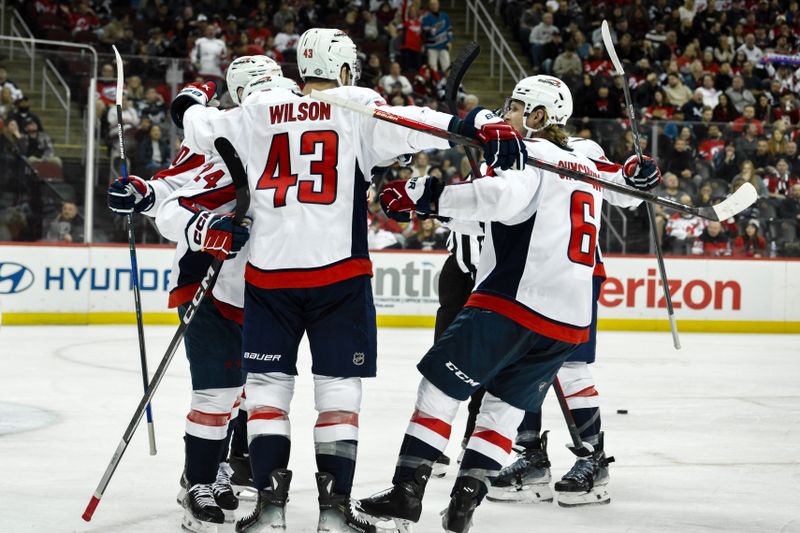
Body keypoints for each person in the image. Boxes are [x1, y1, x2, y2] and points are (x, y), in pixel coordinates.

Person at [176, 28, 525, 533]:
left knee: (267, 391)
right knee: (338, 393)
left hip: (270, 277)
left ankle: (271, 507)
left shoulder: (256, 111)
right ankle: (334, 510)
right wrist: (479, 122)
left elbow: (198, 127)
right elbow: (421, 124)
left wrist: (189, 101)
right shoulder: (357, 105)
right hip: (339, 277)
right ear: (343, 69)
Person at [357, 75, 659, 532]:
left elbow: (498, 198)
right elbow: (625, 191)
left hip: (514, 302)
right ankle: (463, 505)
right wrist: (636, 175)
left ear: (538, 117)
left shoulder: (529, 154)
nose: (504, 116)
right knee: (502, 407)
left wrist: (427, 197)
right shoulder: (583, 163)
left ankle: (405, 493)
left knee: (439, 390)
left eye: (515, 107)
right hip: (566, 323)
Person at [109, 55, 283, 533]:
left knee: (245, 394)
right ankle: (198, 479)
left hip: (266, 294)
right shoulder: (226, 139)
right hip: (210, 284)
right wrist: (150, 195)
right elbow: (175, 192)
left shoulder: (297, 144)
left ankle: (218, 465)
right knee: (218, 389)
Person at [421, 0, 453, 74]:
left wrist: (450, 41)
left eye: (436, 4)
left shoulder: (445, 16)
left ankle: (449, 84)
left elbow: (449, 29)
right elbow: (425, 33)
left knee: (447, 67)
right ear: (429, 6)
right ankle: (435, 84)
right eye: (432, 4)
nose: (434, 6)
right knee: (432, 68)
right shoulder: (426, 18)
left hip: (444, 46)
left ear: (438, 5)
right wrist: (431, 31)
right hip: (432, 46)